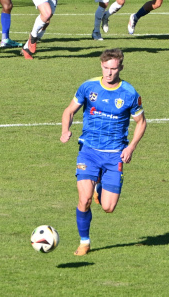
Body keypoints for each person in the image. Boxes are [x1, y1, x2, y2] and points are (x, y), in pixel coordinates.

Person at [60, 48, 147, 255]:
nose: (109, 73)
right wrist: (65, 130)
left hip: (114, 154)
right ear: (101, 66)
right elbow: (69, 111)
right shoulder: (88, 87)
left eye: (114, 69)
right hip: (88, 151)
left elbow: (141, 123)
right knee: (84, 199)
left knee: (108, 207)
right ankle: (84, 241)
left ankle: (100, 187)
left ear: (121, 68)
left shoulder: (129, 93)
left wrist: (131, 147)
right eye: (106, 68)